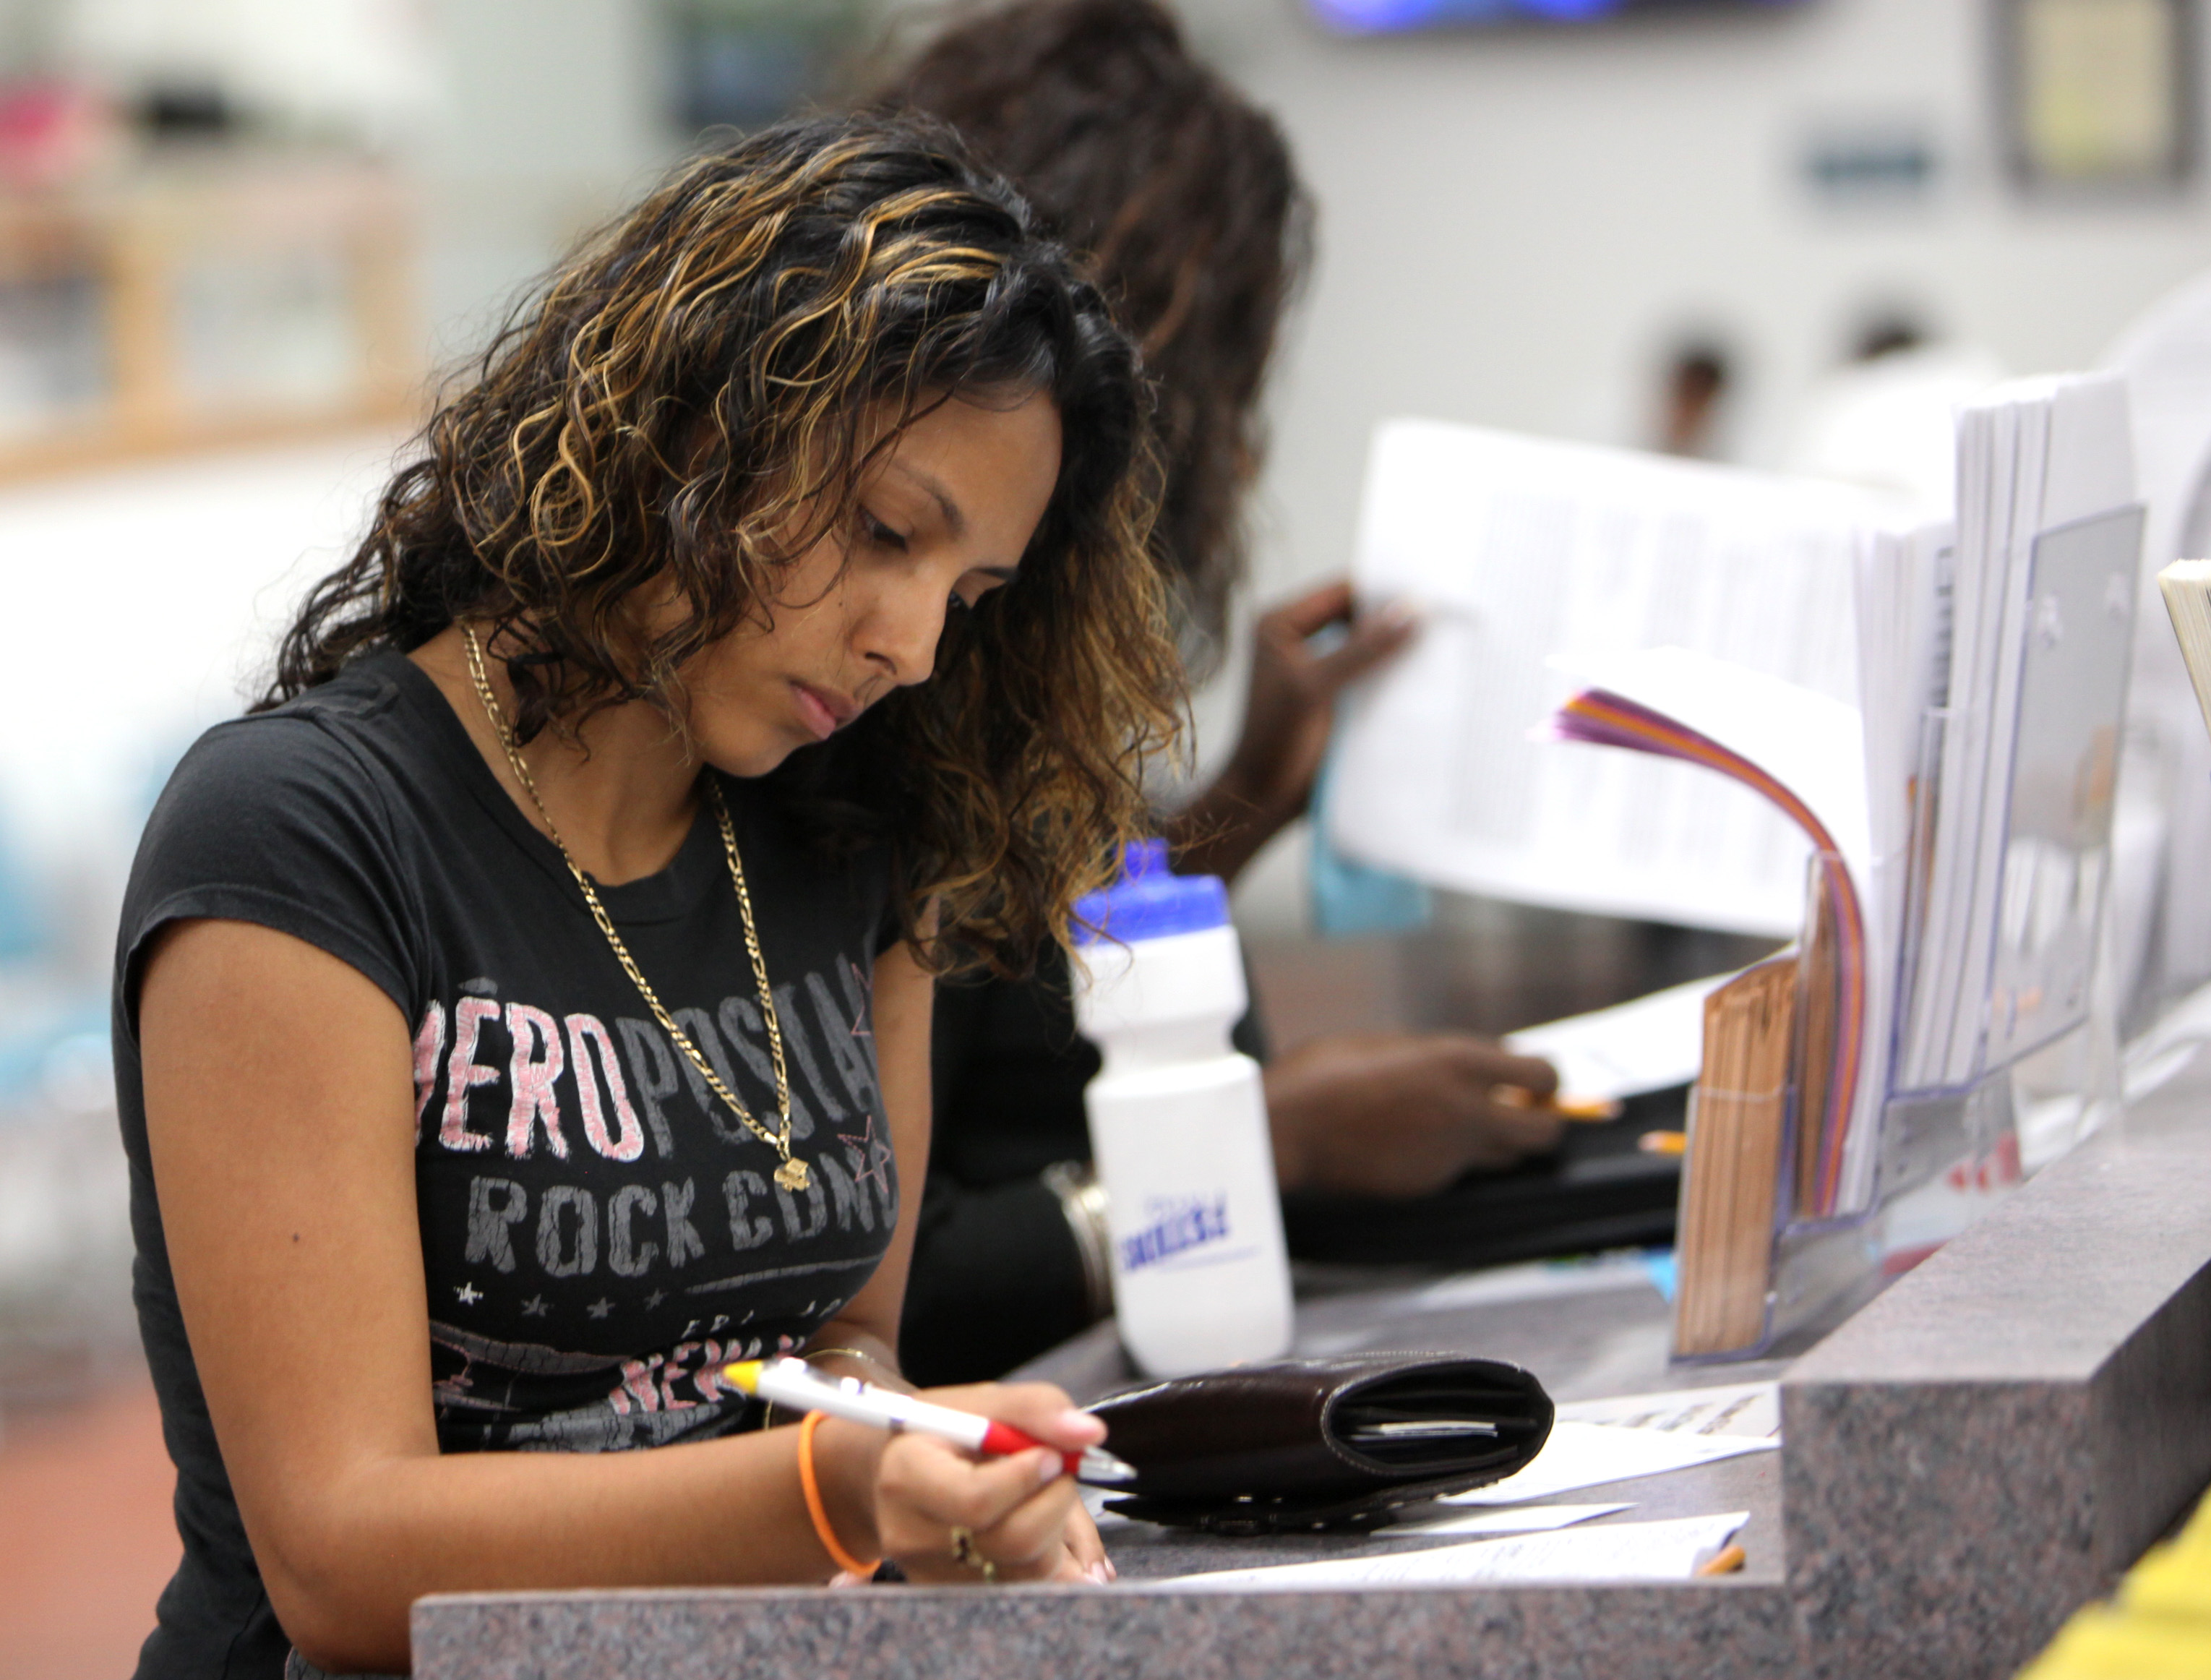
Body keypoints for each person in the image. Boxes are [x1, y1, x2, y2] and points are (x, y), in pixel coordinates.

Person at [115, 113, 1185, 1677]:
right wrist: (839, 1492)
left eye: (968, 596)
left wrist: (923, 1464)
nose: (912, 647)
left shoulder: (857, 830)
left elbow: (840, 1343)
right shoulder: (303, 834)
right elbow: (343, 1559)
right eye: (886, 532)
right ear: (690, 426)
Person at [880, 0, 1568, 1387]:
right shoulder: (892, 692)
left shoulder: (991, 674)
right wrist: (1270, 1145)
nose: (1242, 459)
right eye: (1225, 388)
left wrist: (1245, 800)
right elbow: (895, 1289)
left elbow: (1029, 976)